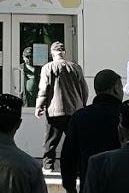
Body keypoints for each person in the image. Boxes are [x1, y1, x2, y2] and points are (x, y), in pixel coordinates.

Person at [62, 68, 124, 193]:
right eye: (121, 87)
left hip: (90, 185)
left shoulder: (80, 117)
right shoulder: (125, 116)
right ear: (115, 88)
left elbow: (69, 155)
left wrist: (69, 185)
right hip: (122, 186)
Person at [35, 40, 89, 172]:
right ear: (64, 53)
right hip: (75, 110)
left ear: (52, 53)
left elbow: (43, 89)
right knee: (75, 141)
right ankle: (77, 167)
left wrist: (39, 106)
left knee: (51, 140)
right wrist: (82, 104)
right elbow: (84, 89)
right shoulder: (76, 67)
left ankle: (48, 166)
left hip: (55, 111)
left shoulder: (48, 68)